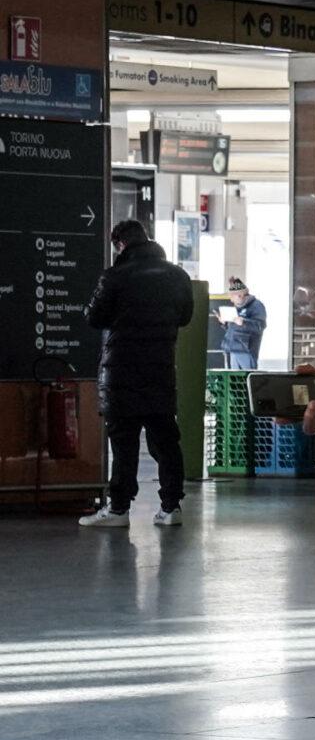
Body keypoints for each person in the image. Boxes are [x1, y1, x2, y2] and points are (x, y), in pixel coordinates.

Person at [78, 220, 196, 530]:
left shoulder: (115, 276)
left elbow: (94, 317)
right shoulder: (177, 275)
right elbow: (185, 316)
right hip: (160, 369)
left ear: (119, 244)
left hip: (122, 371)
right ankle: (171, 507)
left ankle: (118, 510)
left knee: (124, 443)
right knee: (166, 440)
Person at [217, 278, 267, 371]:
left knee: (246, 378)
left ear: (240, 295)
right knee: (234, 380)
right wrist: (225, 323)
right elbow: (234, 327)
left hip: (246, 349)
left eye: (233, 297)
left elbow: (260, 326)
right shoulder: (238, 306)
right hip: (233, 348)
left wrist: (244, 322)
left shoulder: (256, 306)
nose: (231, 300)